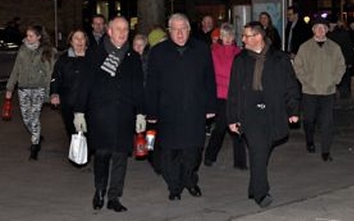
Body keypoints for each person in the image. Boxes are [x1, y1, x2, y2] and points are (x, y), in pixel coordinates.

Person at [73, 16, 145, 212]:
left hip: (124, 115)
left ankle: (114, 197)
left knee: (121, 157)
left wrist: (141, 113)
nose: (122, 33)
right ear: (109, 32)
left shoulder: (133, 57)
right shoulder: (95, 54)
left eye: (125, 30)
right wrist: (79, 112)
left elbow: (138, 87)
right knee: (103, 155)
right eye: (118, 29)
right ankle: (99, 191)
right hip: (100, 115)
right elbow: (84, 85)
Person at [227, 21, 300, 208]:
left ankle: (254, 186)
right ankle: (261, 193)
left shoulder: (279, 59)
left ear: (258, 37)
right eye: (242, 36)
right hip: (250, 113)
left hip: (272, 112)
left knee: (262, 152)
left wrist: (293, 110)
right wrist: (232, 117)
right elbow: (233, 90)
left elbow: (291, 85)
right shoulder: (241, 59)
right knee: (258, 149)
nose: (242, 39)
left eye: (246, 36)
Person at [145, 13, 217, 201]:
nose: (179, 33)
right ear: (169, 32)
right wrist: (151, 111)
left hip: (194, 110)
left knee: (193, 153)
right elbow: (151, 84)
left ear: (189, 30)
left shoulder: (201, 49)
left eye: (183, 28)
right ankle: (174, 186)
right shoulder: (158, 52)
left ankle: (190, 181)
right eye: (175, 29)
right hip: (168, 112)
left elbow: (209, 79)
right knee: (170, 154)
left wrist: (211, 105)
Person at [294, 18, 345, 161]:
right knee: (309, 119)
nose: (320, 30)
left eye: (323, 28)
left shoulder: (334, 48)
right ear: (313, 30)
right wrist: (305, 81)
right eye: (318, 27)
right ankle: (309, 140)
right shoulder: (305, 47)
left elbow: (341, 65)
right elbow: (298, 66)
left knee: (327, 122)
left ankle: (325, 151)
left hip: (328, 91)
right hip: (310, 91)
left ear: (327, 30)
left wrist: (335, 80)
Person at [5, 25, 56, 161]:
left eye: (31, 36)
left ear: (38, 37)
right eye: (27, 35)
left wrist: (48, 92)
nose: (28, 38)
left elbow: (48, 73)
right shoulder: (23, 49)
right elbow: (16, 69)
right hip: (23, 88)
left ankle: (35, 145)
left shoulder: (45, 51)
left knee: (34, 115)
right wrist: (10, 88)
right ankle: (36, 133)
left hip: (38, 87)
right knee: (26, 117)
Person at [203, 23, 247, 169]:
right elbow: (215, 73)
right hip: (221, 95)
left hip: (236, 95)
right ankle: (210, 156)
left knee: (238, 128)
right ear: (220, 37)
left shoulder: (239, 52)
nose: (227, 38)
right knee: (221, 128)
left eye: (230, 35)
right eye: (224, 35)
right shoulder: (214, 51)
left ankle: (240, 162)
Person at [50, 30, 88, 141]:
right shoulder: (63, 59)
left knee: (89, 131)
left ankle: (87, 153)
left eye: (82, 38)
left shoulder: (93, 57)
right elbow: (55, 77)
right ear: (71, 42)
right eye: (76, 38)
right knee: (73, 131)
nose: (80, 41)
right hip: (69, 101)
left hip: (89, 102)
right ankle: (76, 155)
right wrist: (54, 93)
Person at [327, 19, 353, 99]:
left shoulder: (329, 35)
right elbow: (348, 48)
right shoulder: (344, 33)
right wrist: (349, 61)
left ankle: (334, 95)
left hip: (332, 61)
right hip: (343, 60)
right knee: (344, 79)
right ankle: (345, 95)